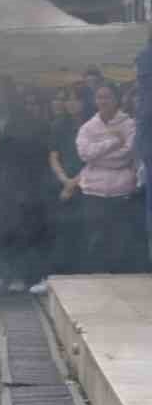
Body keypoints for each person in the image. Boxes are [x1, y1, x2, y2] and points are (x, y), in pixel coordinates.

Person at [74, 82, 143, 274]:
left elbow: (127, 154)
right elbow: (84, 154)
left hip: (121, 190)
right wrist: (113, 141)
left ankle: (119, 278)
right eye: (99, 97)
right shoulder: (88, 127)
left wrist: (100, 156)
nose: (103, 101)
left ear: (117, 99)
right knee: (95, 239)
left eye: (107, 97)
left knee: (120, 240)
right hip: (93, 191)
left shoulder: (129, 125)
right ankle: (97, 277)